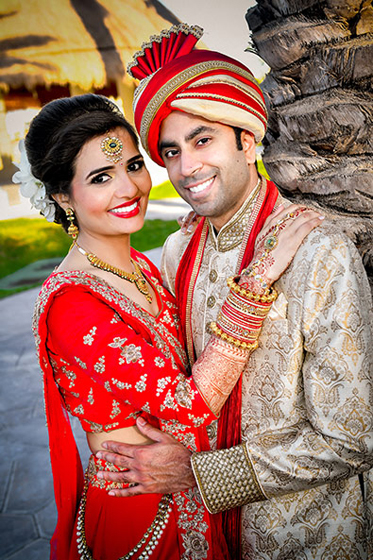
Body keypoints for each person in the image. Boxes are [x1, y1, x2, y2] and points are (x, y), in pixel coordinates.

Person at [96, 24, 373, 559]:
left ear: (247, 140)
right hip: (204, 539)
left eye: (203, 140)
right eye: (171, 151)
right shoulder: (177, 255)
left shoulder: (319, 252)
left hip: (305, 538)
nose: (186, 167)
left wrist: (202, 475)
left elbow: (352, 437)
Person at [15, 93, 319, 560]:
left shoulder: (143, 266)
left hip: (189, 490)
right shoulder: (72, 305)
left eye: (134, 165)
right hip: (138, 513)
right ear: (62, 195)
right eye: (100, 177)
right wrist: (257, 279)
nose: (129, 188)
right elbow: (187, 405)